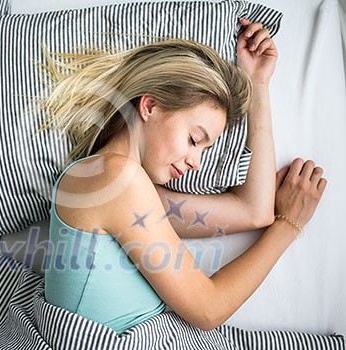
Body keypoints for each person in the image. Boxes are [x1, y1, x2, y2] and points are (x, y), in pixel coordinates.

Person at [42, 19, 327, 334]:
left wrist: (258, 85)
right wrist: (289, 227)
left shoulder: (131, 189)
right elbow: (208, 310)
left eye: (205, 150)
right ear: (150, 106)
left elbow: (254, 211)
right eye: (194, 139)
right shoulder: (114, 179)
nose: (196, 162)